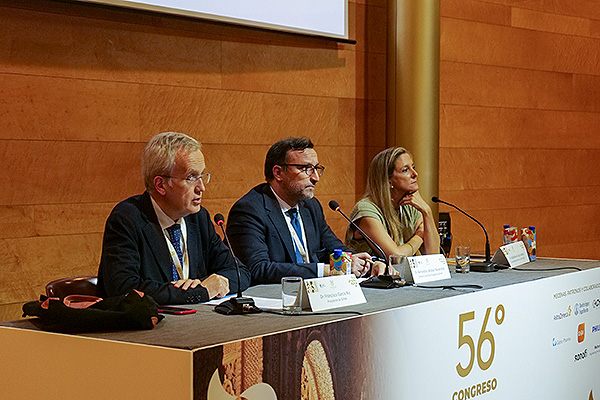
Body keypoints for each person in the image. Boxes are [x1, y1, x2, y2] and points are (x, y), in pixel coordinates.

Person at [97, 132, 250, 305]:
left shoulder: (198, 218)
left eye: (202, 176)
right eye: (191, 177)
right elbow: (123, 288)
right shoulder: (127, 219)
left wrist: (218, 282)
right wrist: (201, 291)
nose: (201, 188)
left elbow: (240, 272)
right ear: (161, 185)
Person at [226, 137, 374, 284]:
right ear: (278, 173)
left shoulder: (310, 206)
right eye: (305, 169)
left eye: (316, 169)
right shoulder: (249, 210)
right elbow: (258, 269)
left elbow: (335, 248)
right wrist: (328, 270)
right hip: (276, 298)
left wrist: (366, 262)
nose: (315, 178)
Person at [345, 147, 440, 258]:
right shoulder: (366, 209)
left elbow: (433, 255)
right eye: (405, 170)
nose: (415, 174)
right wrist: (419, 237)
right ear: (388, 180)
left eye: (413, 167)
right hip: (372, 274)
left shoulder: (409, 205)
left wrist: (427, 211)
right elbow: (395, 257)